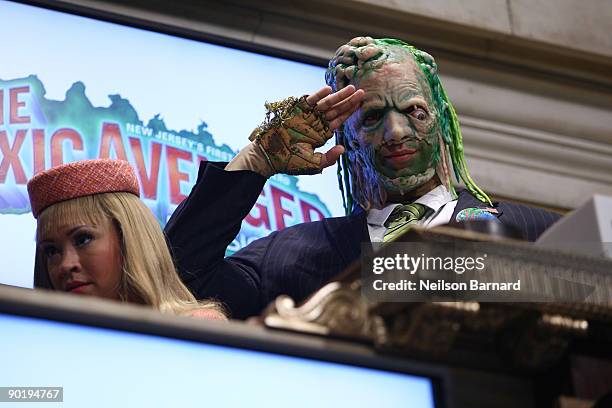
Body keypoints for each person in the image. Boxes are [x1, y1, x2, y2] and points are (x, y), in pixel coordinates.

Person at [165, 37, 561, 319]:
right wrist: (258, 159)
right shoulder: (290, 256)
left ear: (441, 120)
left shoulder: (534, 232)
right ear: (347, 138)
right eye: (372, 117)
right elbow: (181, 281)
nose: (396, 132)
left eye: (414, 111)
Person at [28, 159, 225, 320]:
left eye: (83, 239)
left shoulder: (193, 327)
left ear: (130, 239)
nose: (65, 265)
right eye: (51, 251)